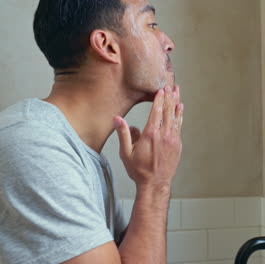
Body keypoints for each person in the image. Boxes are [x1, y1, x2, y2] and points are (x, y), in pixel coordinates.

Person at [0, 0, 184, 263]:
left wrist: (151, 182)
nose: (168, 42)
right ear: (107, 45)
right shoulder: (32, 145)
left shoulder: (85, 157)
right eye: (151, 25)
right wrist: (156, 185)